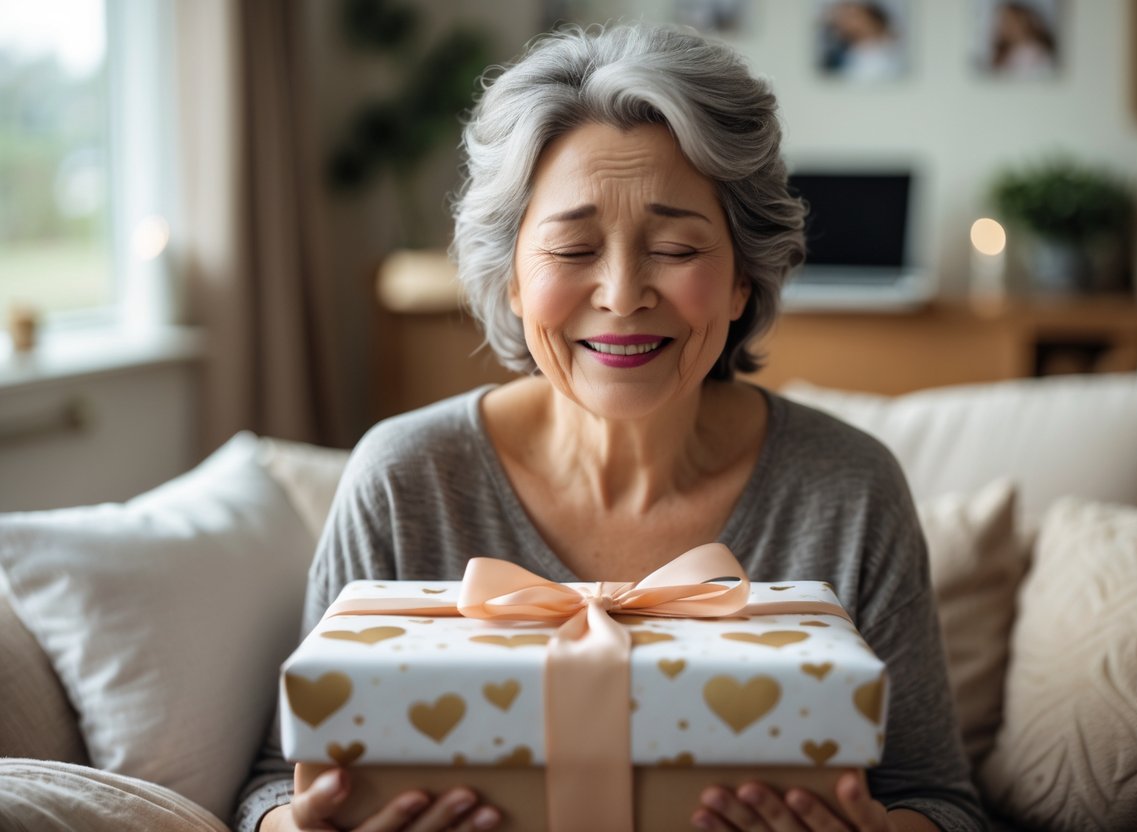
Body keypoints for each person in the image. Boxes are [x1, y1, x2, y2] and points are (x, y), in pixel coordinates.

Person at [236, 22, 987, 832]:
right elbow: (279, 781)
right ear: (512, 280)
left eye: (673, 246)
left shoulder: (848, 488)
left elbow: (937, 800)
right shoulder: (403, 479)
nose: (623, 293)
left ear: (742, 279)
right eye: (572, 248)